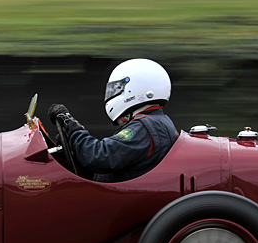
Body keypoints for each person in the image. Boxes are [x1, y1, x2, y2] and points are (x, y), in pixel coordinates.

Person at [48, 58, 178, 183]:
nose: (112, 94)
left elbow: (99, 157)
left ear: (136, 87)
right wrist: (74, 150)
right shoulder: (156, 123)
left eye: (116, 88)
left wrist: (70, 125)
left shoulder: (145, 127)